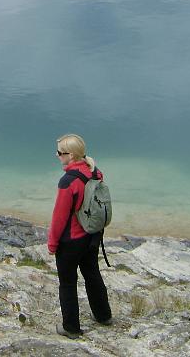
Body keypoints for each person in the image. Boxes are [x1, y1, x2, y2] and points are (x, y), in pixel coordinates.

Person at [47, 133, 112, 339]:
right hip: (92, 236)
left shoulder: (68, 181)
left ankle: (71, 328)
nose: (57, 156)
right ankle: (104, 316)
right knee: (92, 274)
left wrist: (52, 244)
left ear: (71, 156)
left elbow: (59, 217)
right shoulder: (94, 172)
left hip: (71, 241)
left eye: (60, 153)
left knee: (67, 283)